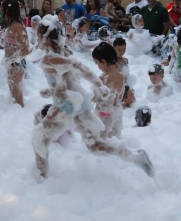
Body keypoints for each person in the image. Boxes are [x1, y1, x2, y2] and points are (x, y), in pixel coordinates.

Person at [31, 15, 155, 178]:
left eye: (39, 34)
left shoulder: (49, 58)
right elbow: (67, 77)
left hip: (66, 105)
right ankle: (135, 156)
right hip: (79, 101)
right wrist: (50, 90)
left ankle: (41, 178)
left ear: (46, 38)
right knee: (94, 145)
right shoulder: (64, 50)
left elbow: (77, 66)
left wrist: (99, 85)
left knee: (39, 139)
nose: (37, 37)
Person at [92, 43, 124, 139]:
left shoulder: (102, 79)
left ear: (103, 62)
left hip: (102, 116)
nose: (97, 65)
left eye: (97, 63)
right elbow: (121, 97)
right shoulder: (121, 76)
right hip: (116, 114)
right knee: (113, 141)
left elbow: (94, 99)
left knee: (100, 143)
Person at [1, 0, 29, 107]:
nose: (1, 11)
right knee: (13, 95)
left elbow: (26, 49)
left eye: (3, 9)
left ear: (8, 10)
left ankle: (21, 118)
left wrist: (11, 60)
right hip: (12, 64)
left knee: (17, 97)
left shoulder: (17, 27)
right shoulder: (13, 25)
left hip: (16, 64)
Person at [113, 37, 135, 107]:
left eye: (124, 49)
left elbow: (127, 75)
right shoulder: (112, 63)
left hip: (126, 86)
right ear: (114, 48)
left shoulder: (125, 60)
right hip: (118, 88)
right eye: (119, 50)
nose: (122, 52)